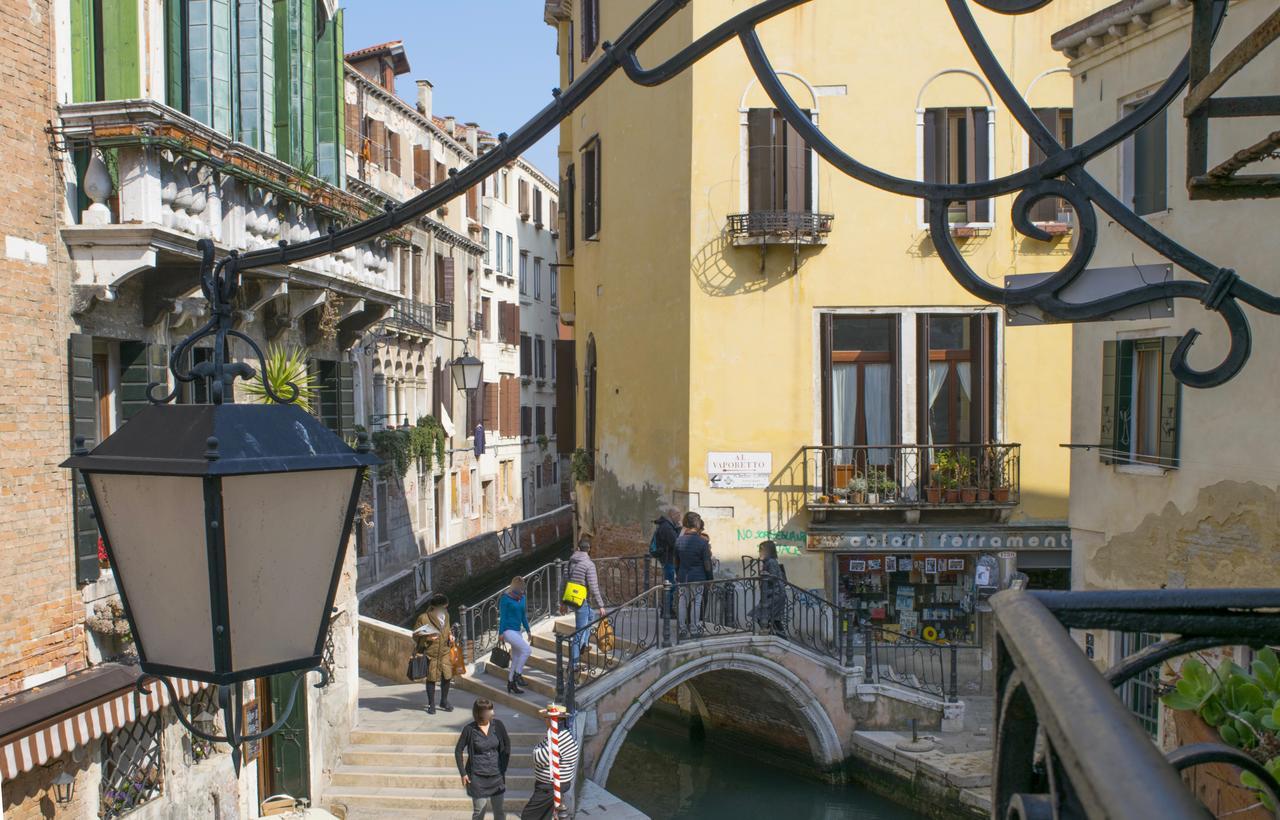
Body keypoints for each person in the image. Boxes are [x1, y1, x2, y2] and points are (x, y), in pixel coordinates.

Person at [455, 698, 511, 820]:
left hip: (497, 777)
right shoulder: (469, 729)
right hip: (477, 778)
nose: (492, 713)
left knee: (499, 812)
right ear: (479, 713)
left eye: (492, 710)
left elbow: (507, 745)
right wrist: (463, 773)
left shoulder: (498, 725)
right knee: (479, 812)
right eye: (489, 711)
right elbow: (458, 750)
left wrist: (503, 767)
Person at [520, 709, 580, 820]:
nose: (545, 721)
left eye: (546, 718)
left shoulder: (558, 738)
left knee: (528, 816)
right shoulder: (559, 734)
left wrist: (537, 750)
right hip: (551, 785)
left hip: (550, 786)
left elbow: (538, 757)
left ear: (552, 720)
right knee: (545, 816)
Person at [565, 538, 606, 673]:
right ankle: (574, 664)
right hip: (581, 600)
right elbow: (594, 587)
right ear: (589, 549)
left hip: (572, 598)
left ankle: (583, 644)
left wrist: (561, 603)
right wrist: (601, 605)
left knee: (591, 615)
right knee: (579, 631)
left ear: (578, 548)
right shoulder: (589, 564)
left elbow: (562, 583)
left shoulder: (570, 562)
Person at [413, 593, 454, 714]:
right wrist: (428, 639)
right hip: (431, 653)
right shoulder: (423, 618)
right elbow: (415, 635)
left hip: (445, 650)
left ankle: (444, 701)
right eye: (443, 607)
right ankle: (431, 704)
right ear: (436, 607)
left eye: (446, 607)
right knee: (431, 678)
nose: (445, 609)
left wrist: (451, 636)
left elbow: (448, 629)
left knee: (447, 676)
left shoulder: (446, 615)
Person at [675, 512, 711, 636]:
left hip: (682, 576)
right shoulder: (702, 542)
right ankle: (694, 629)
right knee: (696, 602)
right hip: (698, 577)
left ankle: (682, 629)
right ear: (697, 523)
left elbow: (676, 562)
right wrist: (710, 579)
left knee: (682, 602)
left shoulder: (679, 540)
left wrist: (678, 575)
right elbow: (707, 564)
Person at [499, 576, 533, 695]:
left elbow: (523, 616)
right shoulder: (505, 599)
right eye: (520, 590)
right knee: (527, 649)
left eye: (523, 589)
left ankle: (510, 683)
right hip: (508, 631)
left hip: (518, 631)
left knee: (517, 657)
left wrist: (528, 631)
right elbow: (503, 617)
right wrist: (500, 633)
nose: (522, 592)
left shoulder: (522, 598)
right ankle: (518, 675)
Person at [652, 505, 681, 616]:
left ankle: (667, 609)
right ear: (672, 515)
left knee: (670, 585)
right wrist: (678, 529)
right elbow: (675, 543)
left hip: (668, 559)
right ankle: (667, 611)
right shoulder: (667, 527)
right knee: (670, 586)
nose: (680, 517)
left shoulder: (667, 525)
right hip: (669, 560)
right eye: (678, 514)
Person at [754, 540, 788, 635]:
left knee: (760, 615)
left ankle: (770, 634)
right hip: (773, 594)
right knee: (774, 619)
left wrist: (762, 570)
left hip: (775, 594)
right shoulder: (769, 561)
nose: (760, 552)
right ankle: (779, 638)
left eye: (761, 550)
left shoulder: (771, 562)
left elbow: (772, 578)